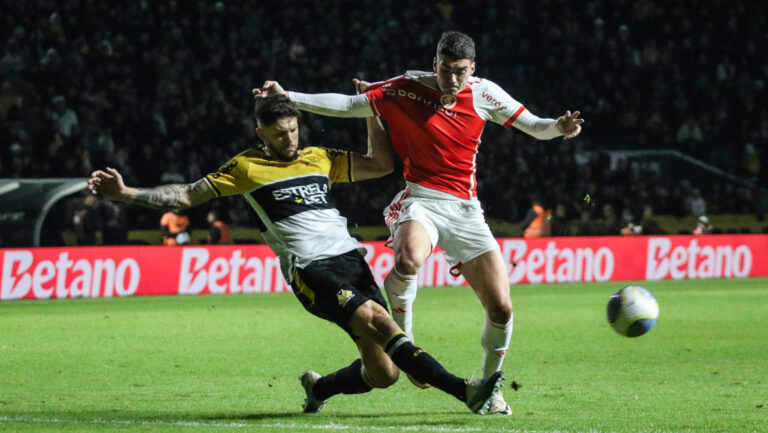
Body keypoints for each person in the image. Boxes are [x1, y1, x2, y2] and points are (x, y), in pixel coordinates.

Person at [88, 94, 504, 414]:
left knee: (384, 373)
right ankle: (464, 391)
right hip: (311, 269)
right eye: (280, 133)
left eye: (293, 130)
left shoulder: (317, 157)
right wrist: (126, 194)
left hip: (350, 260)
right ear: (261, 135)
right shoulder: (246, 169)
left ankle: (318, 388)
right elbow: (186, 194)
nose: (290, 139)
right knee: (379, 321)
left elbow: (379, 164)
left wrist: (370, 112)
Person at [253, 30, 583, 415]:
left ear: (472, 69)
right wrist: (288, 96)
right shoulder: (406, 87)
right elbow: (349, 104)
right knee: (408, 258)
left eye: (460, 71)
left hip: (465, 210)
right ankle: (405, 337)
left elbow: (534, 125)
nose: (452, 79)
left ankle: (491, 389)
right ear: (435, 64)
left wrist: (558, 127)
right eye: (445, 70)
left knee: (502, 308)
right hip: (421, 200)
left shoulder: (485, 94)